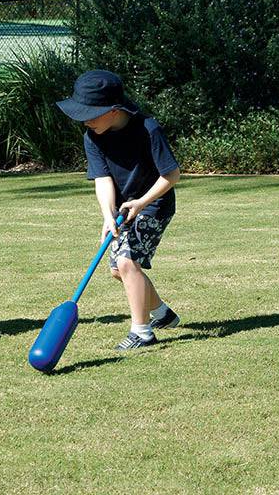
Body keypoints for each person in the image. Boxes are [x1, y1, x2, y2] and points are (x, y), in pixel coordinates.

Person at [56, 70, 181, 350]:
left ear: (113, 110)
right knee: (119, 270)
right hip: (124, 208)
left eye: (90, 114)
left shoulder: (148, 129)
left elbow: (171, 175)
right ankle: (162, 313)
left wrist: (142, 202)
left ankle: (142, 332)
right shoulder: (93, 136)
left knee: (126, 262)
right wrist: (107, 215)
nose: (85, 121)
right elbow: (102, 179)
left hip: (154, 204)